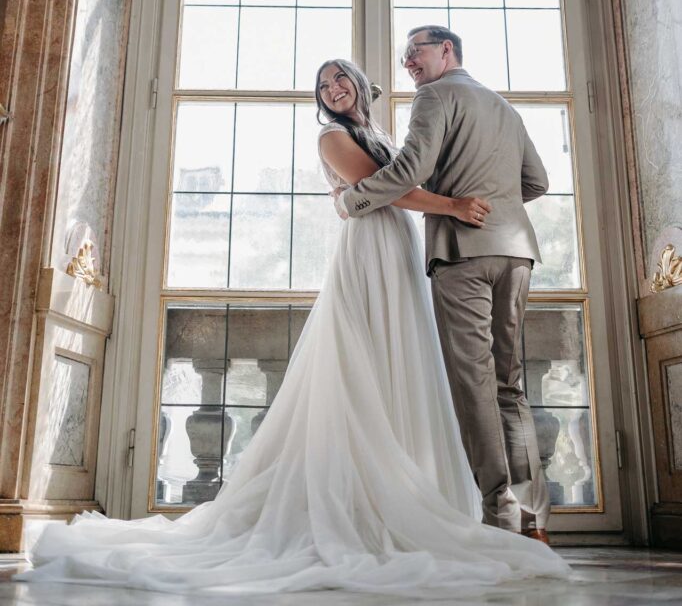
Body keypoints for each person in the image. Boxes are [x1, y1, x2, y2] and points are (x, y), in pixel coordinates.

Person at [15, 58, 569, 597]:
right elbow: (387, 188)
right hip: (370, 251)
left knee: (404, 365)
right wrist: (452, 205)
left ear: (359, 85)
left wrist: (395, 200)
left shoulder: (375, 132)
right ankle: (365, 504)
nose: (333, 90)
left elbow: (387, 184)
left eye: (340, 79)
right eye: (324, 86)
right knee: (366, 365)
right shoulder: (332, 138)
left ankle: (409, 489)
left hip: (396, 248)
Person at [339, 26, 552, 542]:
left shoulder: (434, 96)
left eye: (416, 51)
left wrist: (353, 200)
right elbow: (537, 181)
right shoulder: (503, 106)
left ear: (447, 51)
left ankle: (499, 518)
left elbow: (412, 167)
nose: (409, 62)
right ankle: (534, 521)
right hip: (517, 252)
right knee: (509, 383)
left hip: (462, 253)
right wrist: (495, 202)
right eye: (404, 56)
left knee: (474, 383)